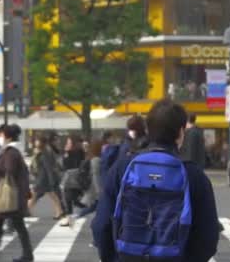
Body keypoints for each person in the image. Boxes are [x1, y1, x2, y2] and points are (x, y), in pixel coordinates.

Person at [92, 99, 220, 262]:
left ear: (147, 129)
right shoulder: (194, 175)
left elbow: (101, 225)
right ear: (181, 132)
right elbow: (208, 236)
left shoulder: (122, 168)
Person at [0, 124, 33, 262]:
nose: (0, 137)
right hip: (14, 194)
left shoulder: (10, 152)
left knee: (14, 225)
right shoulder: (14, 151)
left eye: (2, 135)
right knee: (5, 224)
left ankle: (26, 255)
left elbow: (9, 172)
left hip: (10, 195)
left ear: (8, 137)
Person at [28, 135, 64, 219]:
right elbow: (34, 165)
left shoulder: (45, 152)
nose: (36, 143)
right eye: (36, 141)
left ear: (42, 143)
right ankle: (59, 212)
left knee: (34, 195)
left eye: (38, 141)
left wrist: (51, 180)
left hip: (43, 178)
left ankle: (27, 211)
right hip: (42, 178)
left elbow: (48, 168)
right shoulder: (40, 151)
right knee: (51, 195)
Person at [60, 135, 86, 225]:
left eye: (69, 143)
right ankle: (70, 219)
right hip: (72, 179)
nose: (67, 144)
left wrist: (66, 153)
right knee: (69, 200)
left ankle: (84, 210)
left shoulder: (76, 153)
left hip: (72, 179)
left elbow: (67, 165)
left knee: (71, 200)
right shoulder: (75, 152)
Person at [73, 140, 102, 220]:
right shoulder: (96, 160)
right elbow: (96, 176)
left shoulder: (91, 157)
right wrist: (99, 191)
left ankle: (75, 216)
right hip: (95, 189)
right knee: (96, 206)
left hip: (93, 189)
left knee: (94, 206)